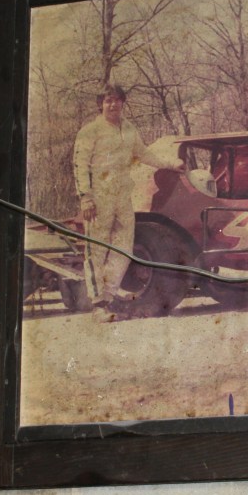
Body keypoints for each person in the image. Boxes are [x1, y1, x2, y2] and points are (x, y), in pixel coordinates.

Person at [73, 84, 184, 322]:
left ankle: (108, 298)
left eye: (117, 100)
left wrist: (170, 164)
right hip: (99, 197)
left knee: (123, 249)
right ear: (100, 104)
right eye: (108, 100)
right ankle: (98, 305)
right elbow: (80, 165)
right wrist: (85, 197)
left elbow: (144, 154)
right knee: (97, 250)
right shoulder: (90, 131)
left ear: (123, 102)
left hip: (123, 197)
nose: (113, 104)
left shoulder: (129, 129)